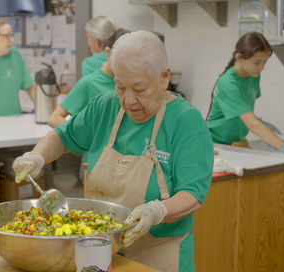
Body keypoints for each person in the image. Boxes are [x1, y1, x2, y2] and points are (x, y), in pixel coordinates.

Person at [13, 31, 214, 272]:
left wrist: (157, 211)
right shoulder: (104, 107)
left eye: (139, 89)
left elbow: (192, 194)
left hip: (159, 253)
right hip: (100, 250)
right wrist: (37, 155)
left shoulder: (186, 121)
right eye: (120, 87)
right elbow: (62, 137)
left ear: (164, 77)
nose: (128, 100)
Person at [206, 31, 284, 161]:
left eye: (265, 62)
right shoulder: (228, 83)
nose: (262, 67)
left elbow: (244, 111)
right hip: (215, 146)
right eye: (257, 63)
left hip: (236, 143)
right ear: (239, 58)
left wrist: (260, 123)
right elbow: (252, 124)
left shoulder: (253, 75)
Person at [48, 29, 130, 128]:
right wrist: (82, 135)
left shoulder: (131, 83)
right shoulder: (89, 83)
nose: (127, 65)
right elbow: (54, 118)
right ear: (108, 52)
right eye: (122, 58)